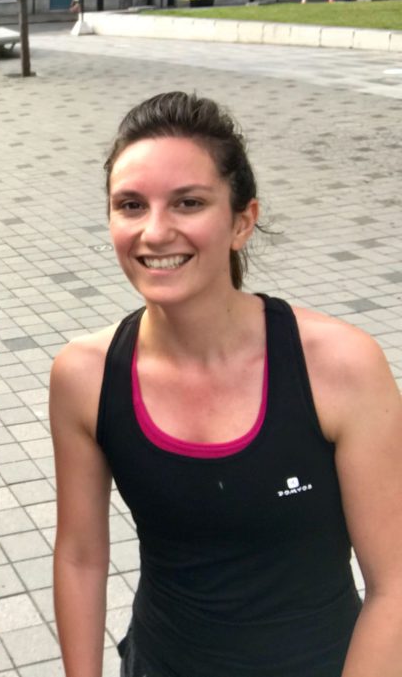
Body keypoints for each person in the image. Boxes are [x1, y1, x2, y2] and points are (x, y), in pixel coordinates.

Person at [50, 91, 402, 677]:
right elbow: (82, 557)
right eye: (131, 205)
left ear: (242, 222)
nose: (155, 232)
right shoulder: (85, 377)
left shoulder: (340, 367)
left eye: (188, 203)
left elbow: (393, 584)